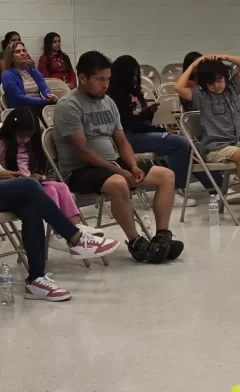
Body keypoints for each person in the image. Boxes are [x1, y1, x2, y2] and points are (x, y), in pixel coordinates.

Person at [0, 62, 118, 302]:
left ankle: (37, 279)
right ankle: (74, 238)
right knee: (30, 187)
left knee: (30, 204)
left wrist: (4, 172)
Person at [53, 51, 185, 264]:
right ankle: (136, 243)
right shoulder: (69, 106)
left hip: (112, 162)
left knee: (166, 175)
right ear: (83, 77)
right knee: (119, 183)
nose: (105, 85)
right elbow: (83, 151)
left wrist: (132, 166)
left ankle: (162, 236)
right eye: (99, 79)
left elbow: (122, 141)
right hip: (80, 170)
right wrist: (120, 171)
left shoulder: (108, 102)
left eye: (108, 79)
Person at [175, 53, 240, 225]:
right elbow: (178, 87)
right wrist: (194, 65)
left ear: (225, 78)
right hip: (214, 149)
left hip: (234, 144)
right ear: (204, 84)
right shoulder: (203, 96)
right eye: (211, 83)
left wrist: (225, 57)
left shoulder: (233, 88)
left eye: (219, 80)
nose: (216, 86)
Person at [0, 107, 110, 241]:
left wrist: (34, 175)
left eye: (28, 136)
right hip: (11, 186)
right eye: (21, 136)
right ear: (11, 131)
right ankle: (59, 230)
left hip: (29, 183)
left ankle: (76, 225)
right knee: (51, 190)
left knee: (62, 187)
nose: (25, 140)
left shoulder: (28, 146)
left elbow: (28, 169)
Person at [108, 54, 202, 208]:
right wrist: (158, 129)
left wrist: (148, 113)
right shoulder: (115, 96)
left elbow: (137, 120)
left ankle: (215, 188)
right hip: (128, 138)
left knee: (191, 146)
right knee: (178, 143)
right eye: (132, 74)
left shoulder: (134, 92)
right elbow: (129, 124)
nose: (135, 77)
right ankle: (173, 191)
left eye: (136, 74)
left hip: (140, 132)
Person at [1, 40, 57, 114]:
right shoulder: (8, 75)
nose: (22, 53)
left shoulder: (33, 70)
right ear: (11, 57)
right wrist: (45, 101)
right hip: (21, 111)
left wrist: (49, 95)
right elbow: (19, 98)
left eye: (24, 51)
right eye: (18, 52)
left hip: (39, 106)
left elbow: (44, 87)